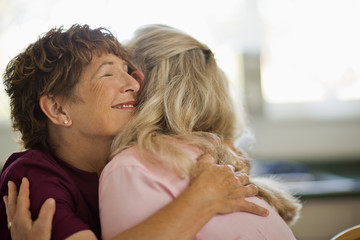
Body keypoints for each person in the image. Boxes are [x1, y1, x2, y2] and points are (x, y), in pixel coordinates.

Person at [0, 24, 269, 240]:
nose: (133, 83)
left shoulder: (124, 164)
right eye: (107, 74)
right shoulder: (31, 176)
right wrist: (201, 200)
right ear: (58, 108)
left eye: (128, 71)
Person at [99, 24, 299, 240]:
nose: (124, 84)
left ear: (139, 84)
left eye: (125, 72)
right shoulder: (223, 164)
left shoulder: (132, 167)